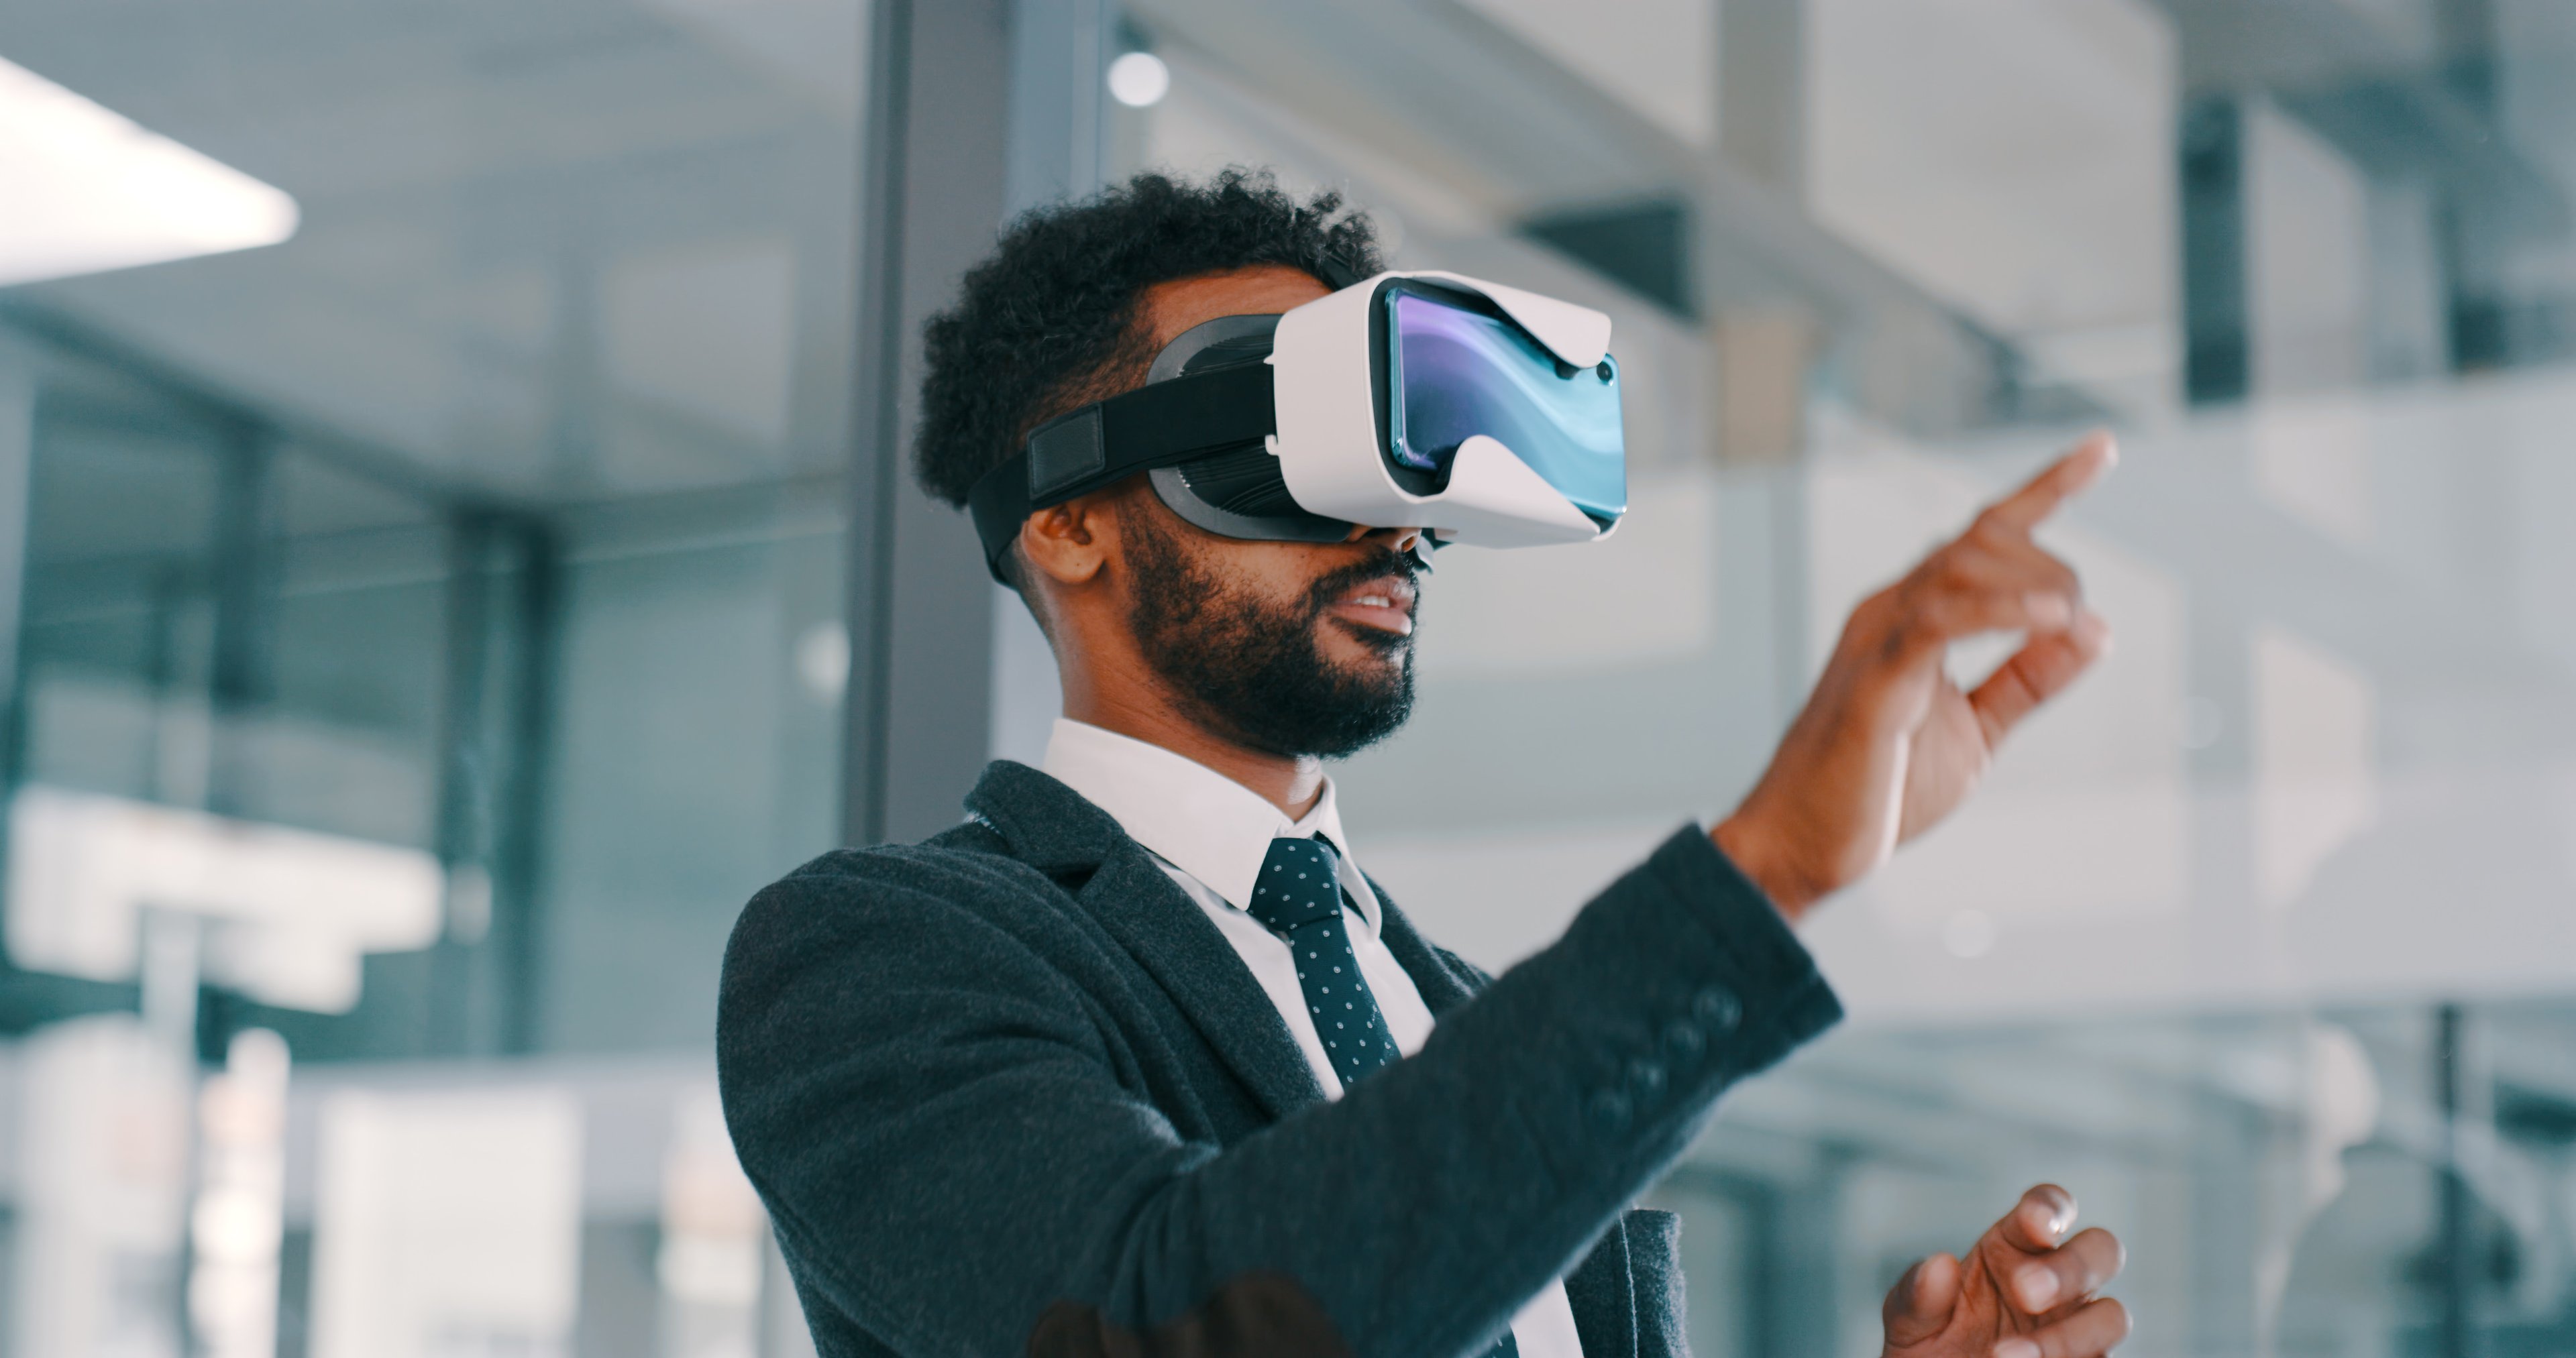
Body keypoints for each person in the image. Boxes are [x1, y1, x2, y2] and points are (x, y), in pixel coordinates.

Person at [718, 170, 2132, 1358]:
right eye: (1291, 439)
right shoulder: (872, 956)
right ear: (1070, 520)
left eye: (1401, 462)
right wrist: (1763, 871)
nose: (1392, 523)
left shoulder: (1462, 1014)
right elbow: (1172, 1323)